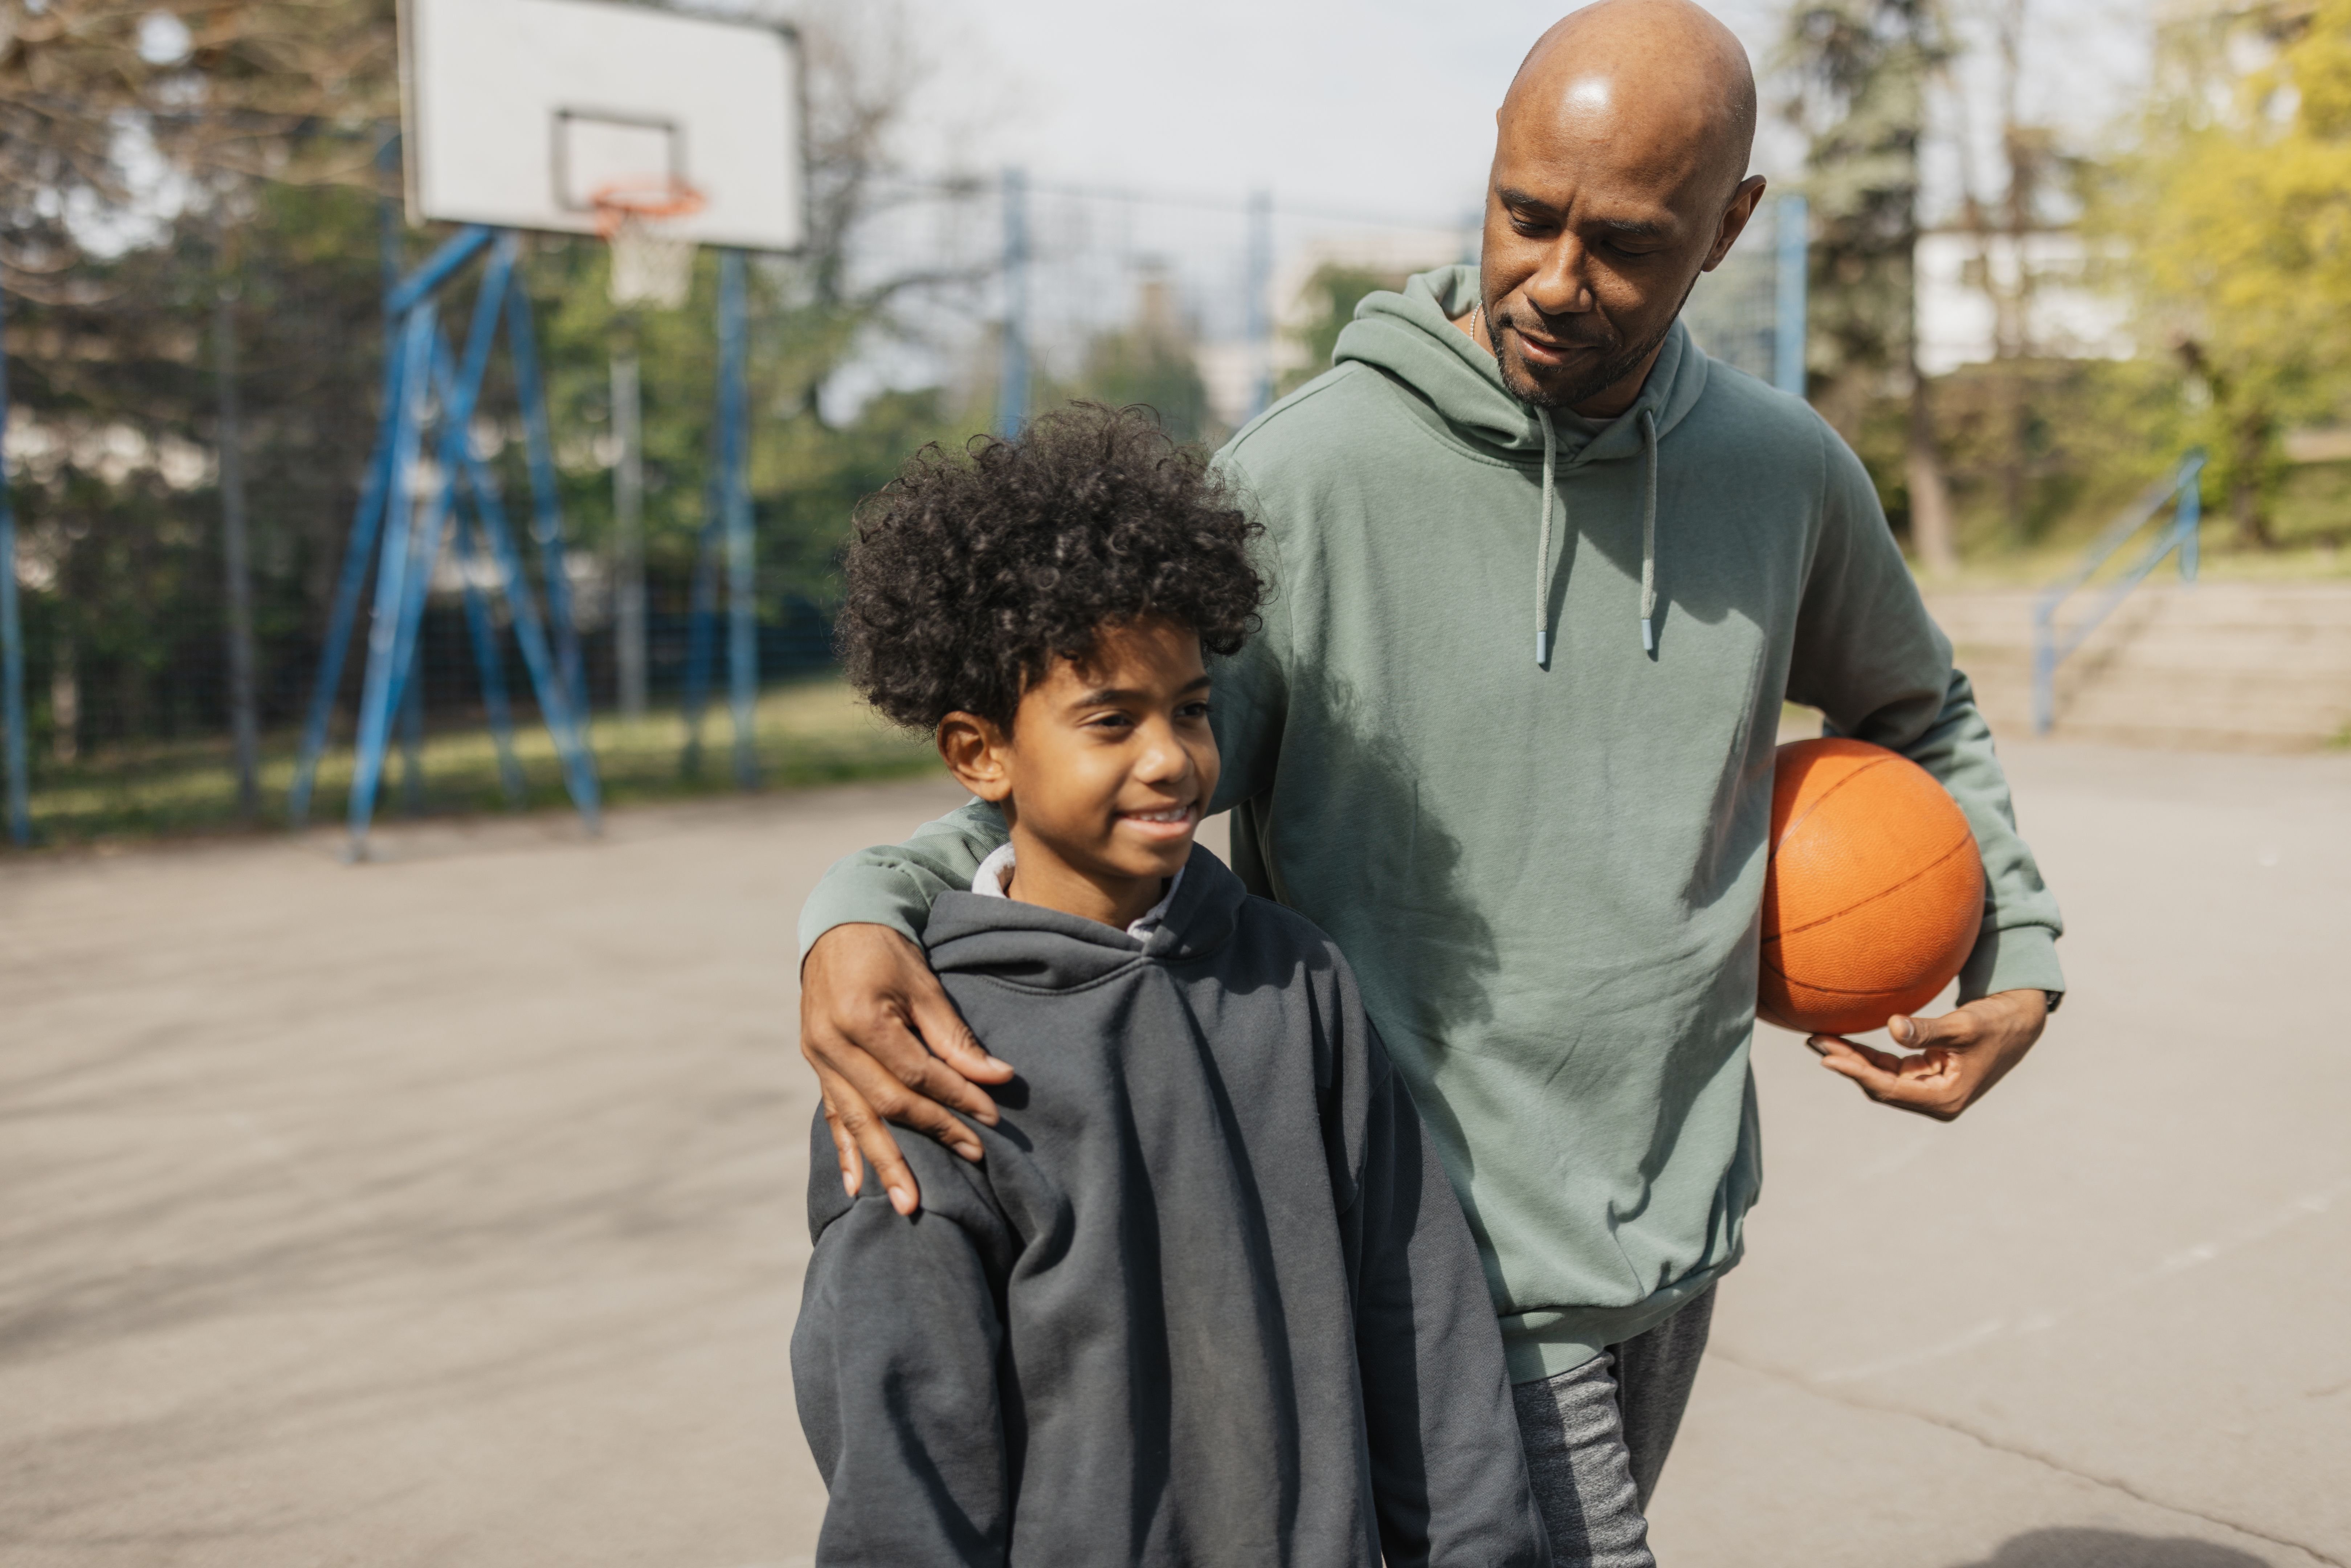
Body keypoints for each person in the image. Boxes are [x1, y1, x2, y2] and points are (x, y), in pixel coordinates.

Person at [794, 1, 2066, 1562]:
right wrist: (857, 910)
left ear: (1728, 228)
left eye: (1627, 243)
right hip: (1436, 1244)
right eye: (1527, 214)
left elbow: (1919, 708)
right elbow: (1100, 777)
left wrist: (2017, 948)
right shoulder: (1312, 478)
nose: (1555, 278)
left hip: (1680, 1218)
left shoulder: (1783, 472)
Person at [789, 405, 1552, 1567]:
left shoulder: (1298, 981)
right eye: (1111, 721)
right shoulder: (923, 1052)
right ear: (980, 754)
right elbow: (903, 1441)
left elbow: (1419, 1313)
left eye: (1191, 710)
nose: (1172, 758)